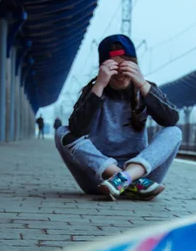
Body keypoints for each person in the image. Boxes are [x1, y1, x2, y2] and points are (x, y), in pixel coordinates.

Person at [55, 34, 182, 201]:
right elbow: (77, 130)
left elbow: (170, 119)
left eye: (125, 68)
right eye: (114, 68)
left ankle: (126, 178)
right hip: (100, 178)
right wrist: (99, 85)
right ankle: (121, 179)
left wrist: (143, 84)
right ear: (102, 68)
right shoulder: (93, 92)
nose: (121, 74)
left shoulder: (144, 89)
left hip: (142, 176)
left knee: (174, 132)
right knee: (62, 133)